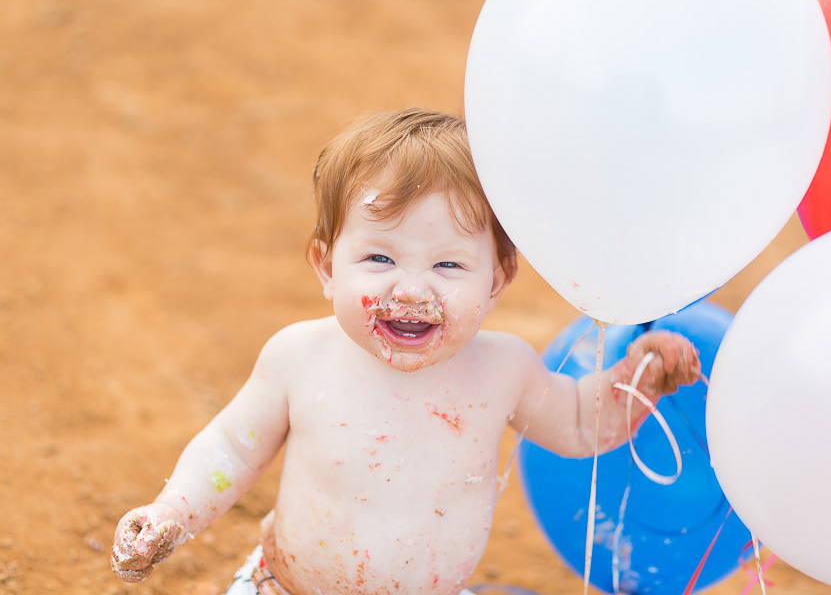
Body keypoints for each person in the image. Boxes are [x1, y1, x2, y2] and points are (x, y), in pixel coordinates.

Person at [110, 108, 702, 595]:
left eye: (448, 264)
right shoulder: (300, 357)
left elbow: (578, 424)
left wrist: (638, 376)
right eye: (379, 258)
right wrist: (171, 514)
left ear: (496, 281)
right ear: (326, 266)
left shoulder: (503, 369)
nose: (412, 289)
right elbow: (231, 448)